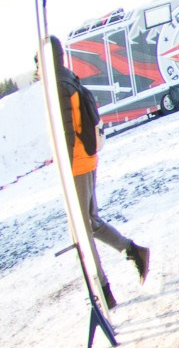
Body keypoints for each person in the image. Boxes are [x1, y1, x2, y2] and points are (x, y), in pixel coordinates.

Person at [50, 37, 149, 307]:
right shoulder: (69, 78)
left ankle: (103, 291)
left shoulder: (58, 87)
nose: (37, 68)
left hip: (76, 165)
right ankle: (133, 251)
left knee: (81, 230)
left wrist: (65, 171)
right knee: (91, 222)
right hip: (87, 160)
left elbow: (66, 135)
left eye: (38, 62)